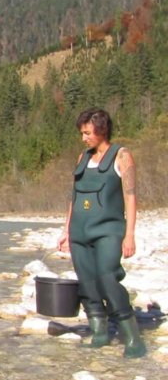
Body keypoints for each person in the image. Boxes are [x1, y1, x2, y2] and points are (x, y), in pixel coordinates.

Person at [56, 108, 145, 357]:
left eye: (87, 133)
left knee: (107, 278)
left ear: (102, 129)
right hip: (79, 232)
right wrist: (66, 230)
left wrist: (130, 235)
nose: (83, 138)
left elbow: (130, 198)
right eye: (82, 133)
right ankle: (100, 332)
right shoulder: (82, 157)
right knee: (87, 282)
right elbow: (74, 197)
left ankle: (132, 337)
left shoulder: (122, 156)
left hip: (108, 230)